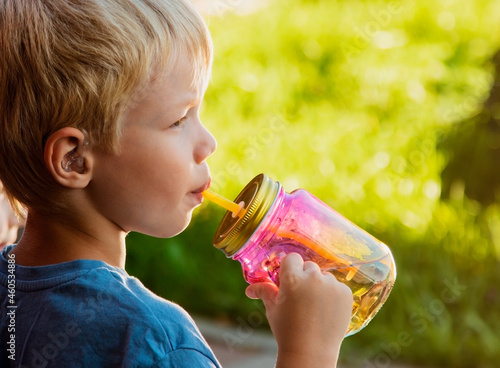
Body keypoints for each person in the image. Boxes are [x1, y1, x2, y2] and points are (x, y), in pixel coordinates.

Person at [0, 0, 353, 367]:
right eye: (179, 120)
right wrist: (309, 350)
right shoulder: (152, 341)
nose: (208, 144)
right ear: (73, 159)